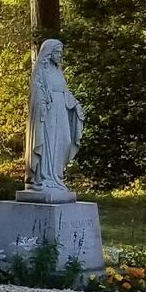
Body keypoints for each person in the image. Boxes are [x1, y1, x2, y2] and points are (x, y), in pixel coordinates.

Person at [27, 37, 84, 198]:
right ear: (49, 53)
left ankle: (57, 178)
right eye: (57, 52)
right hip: (48, 112)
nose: (60, 55)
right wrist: (42, 102)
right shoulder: (40, 70)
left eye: (61, 52)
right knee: (48, 144)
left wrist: (75, 104)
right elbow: (36, 90)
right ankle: (44, 178)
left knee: (64, 141)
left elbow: (64, 91)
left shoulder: (58, 71)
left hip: (61, 111)